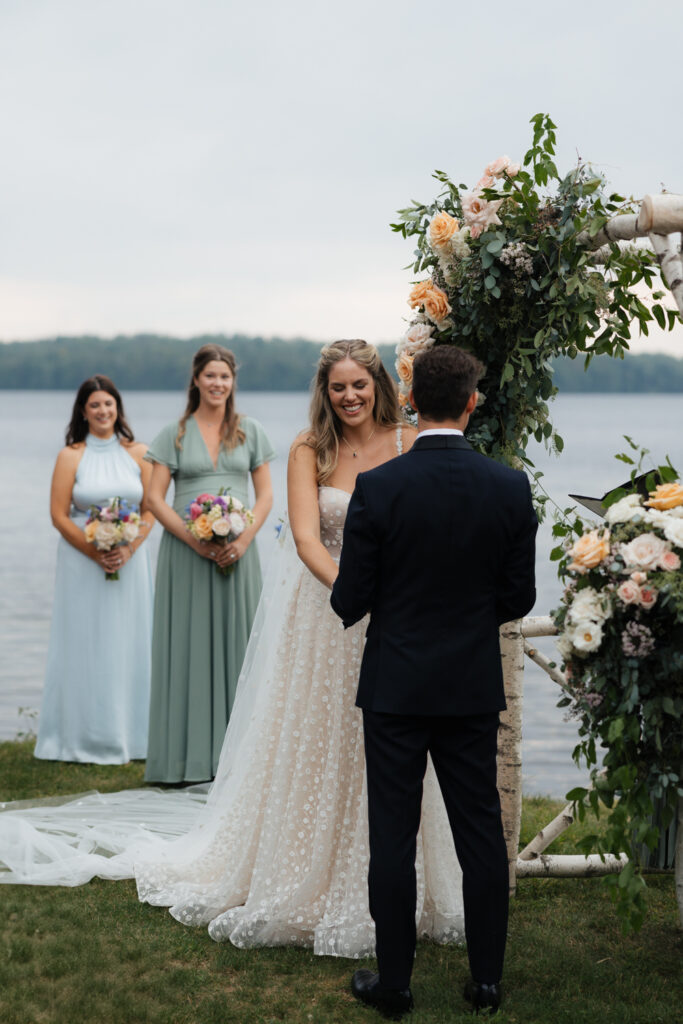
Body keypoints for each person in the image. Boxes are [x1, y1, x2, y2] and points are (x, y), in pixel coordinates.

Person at [134, 340, 465, 957]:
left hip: (401, 623)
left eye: (359, 386)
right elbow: (310, 540)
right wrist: (362, 594)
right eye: (338, 387)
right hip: (327, 616)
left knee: (389, 752)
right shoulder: (308, 450)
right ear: (325, 390)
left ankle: (402, 888)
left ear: (379, 385)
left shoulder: (404, 441)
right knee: (319, 740)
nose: (349, 397)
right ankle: (302, 878)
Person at [331, 344, 538, 1018]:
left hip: (394, 685)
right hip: (469, 686)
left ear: (412, 401)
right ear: (472, 403)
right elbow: (518, 599)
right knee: (479, 833)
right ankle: (485, 983)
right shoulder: (507, 487)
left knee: (391, 835)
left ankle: (393, 986)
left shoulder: (380, 488)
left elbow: (349, 600)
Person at [143, 344, 275, 784]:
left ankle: (241, 764)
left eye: (225, 376)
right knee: (187, 649)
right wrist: (195, 542)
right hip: (186, 554)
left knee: (240, 649)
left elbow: (267, 495)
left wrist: (244, 539)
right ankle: (184, 761)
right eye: (210, 376)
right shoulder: (174, 434)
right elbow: (154, 500)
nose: (218, 383)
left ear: (233, 382)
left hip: (240, 555)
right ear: (196, 380)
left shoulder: (250, 431)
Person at [35, 376, 155, 764]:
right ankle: (79, 736)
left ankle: (135, 737)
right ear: (83, 412)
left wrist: (129, 548)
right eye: (95, 406)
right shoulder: (71, 455)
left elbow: (150, 509)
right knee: (85, 643)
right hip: (81, 562)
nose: (103, 411)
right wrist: (95, 551)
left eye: (109, 404)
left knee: (129, 641)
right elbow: (58, 514)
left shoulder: (140, 453)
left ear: (118, 407)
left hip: (130, 561)